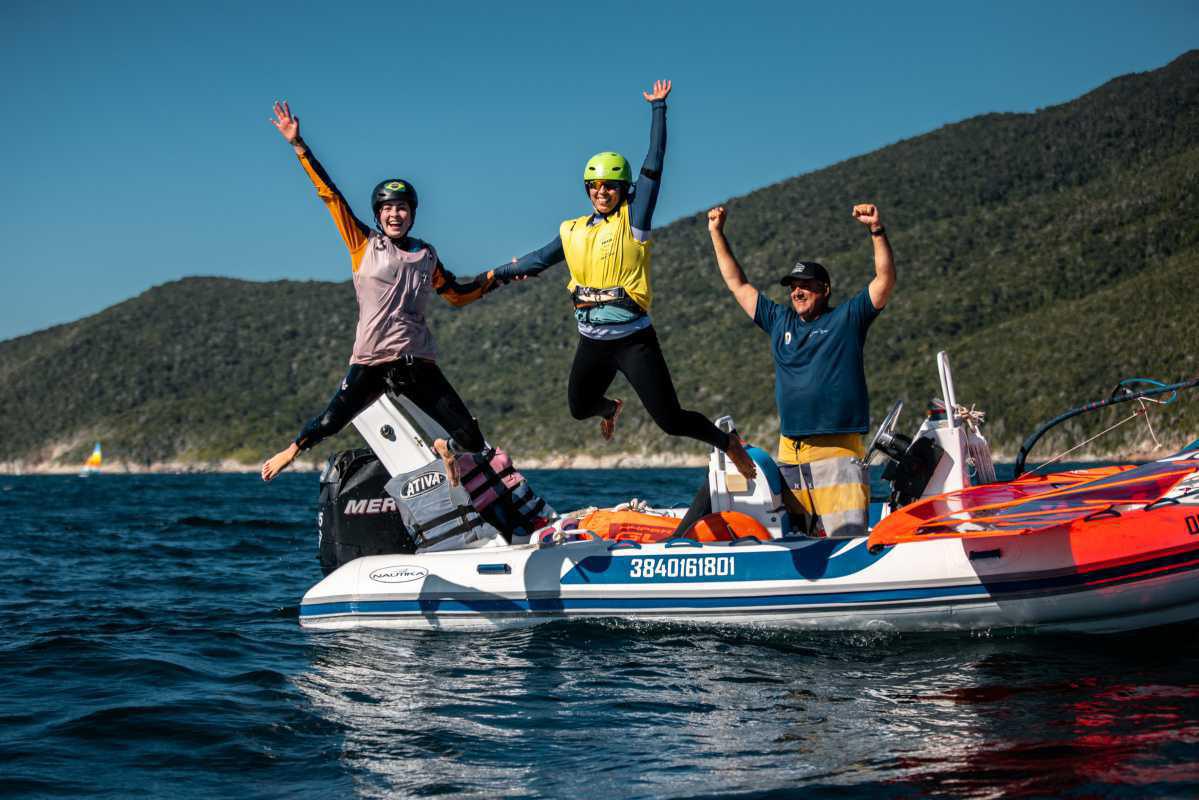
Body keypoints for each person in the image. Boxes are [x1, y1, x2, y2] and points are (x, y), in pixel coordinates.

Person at [489, 80, 755, 479]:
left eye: (609, 186)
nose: (601, 192)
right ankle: (611, 408)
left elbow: (654, 164)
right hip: (592, 342)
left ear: (623, 189)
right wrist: (497, 274)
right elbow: (539, 259)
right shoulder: (574, 229)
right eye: (594, 186)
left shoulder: (635, 221)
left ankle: (728, 442)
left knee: (670, 420)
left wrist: (659, 109)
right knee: (580, 407)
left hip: (634, 343)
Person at [261, 101, 499, 484]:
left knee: (471, 437)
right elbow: (331, 195)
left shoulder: (427, 255)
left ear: (412, 213)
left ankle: (445, 449)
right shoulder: (363, 243)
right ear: (378, 214)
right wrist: (299, 145)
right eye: (388, 208)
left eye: (402, 208)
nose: (395, 214)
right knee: (328, 421)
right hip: (371, 362)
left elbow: (456, 294)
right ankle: (292, 448)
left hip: (416, 362)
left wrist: (497, 278)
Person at [707, 203, 896, 537]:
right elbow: (738, 284)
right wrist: (716, 233)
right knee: (800, 541)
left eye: (806, 284)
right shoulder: (780, 321)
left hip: (836, 450)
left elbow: (884, 280)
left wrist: (876, 230)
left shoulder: (847, 319)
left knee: (845, 540)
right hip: (790, 451)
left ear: (825, 289)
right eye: (793, 285)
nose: (797, 291)